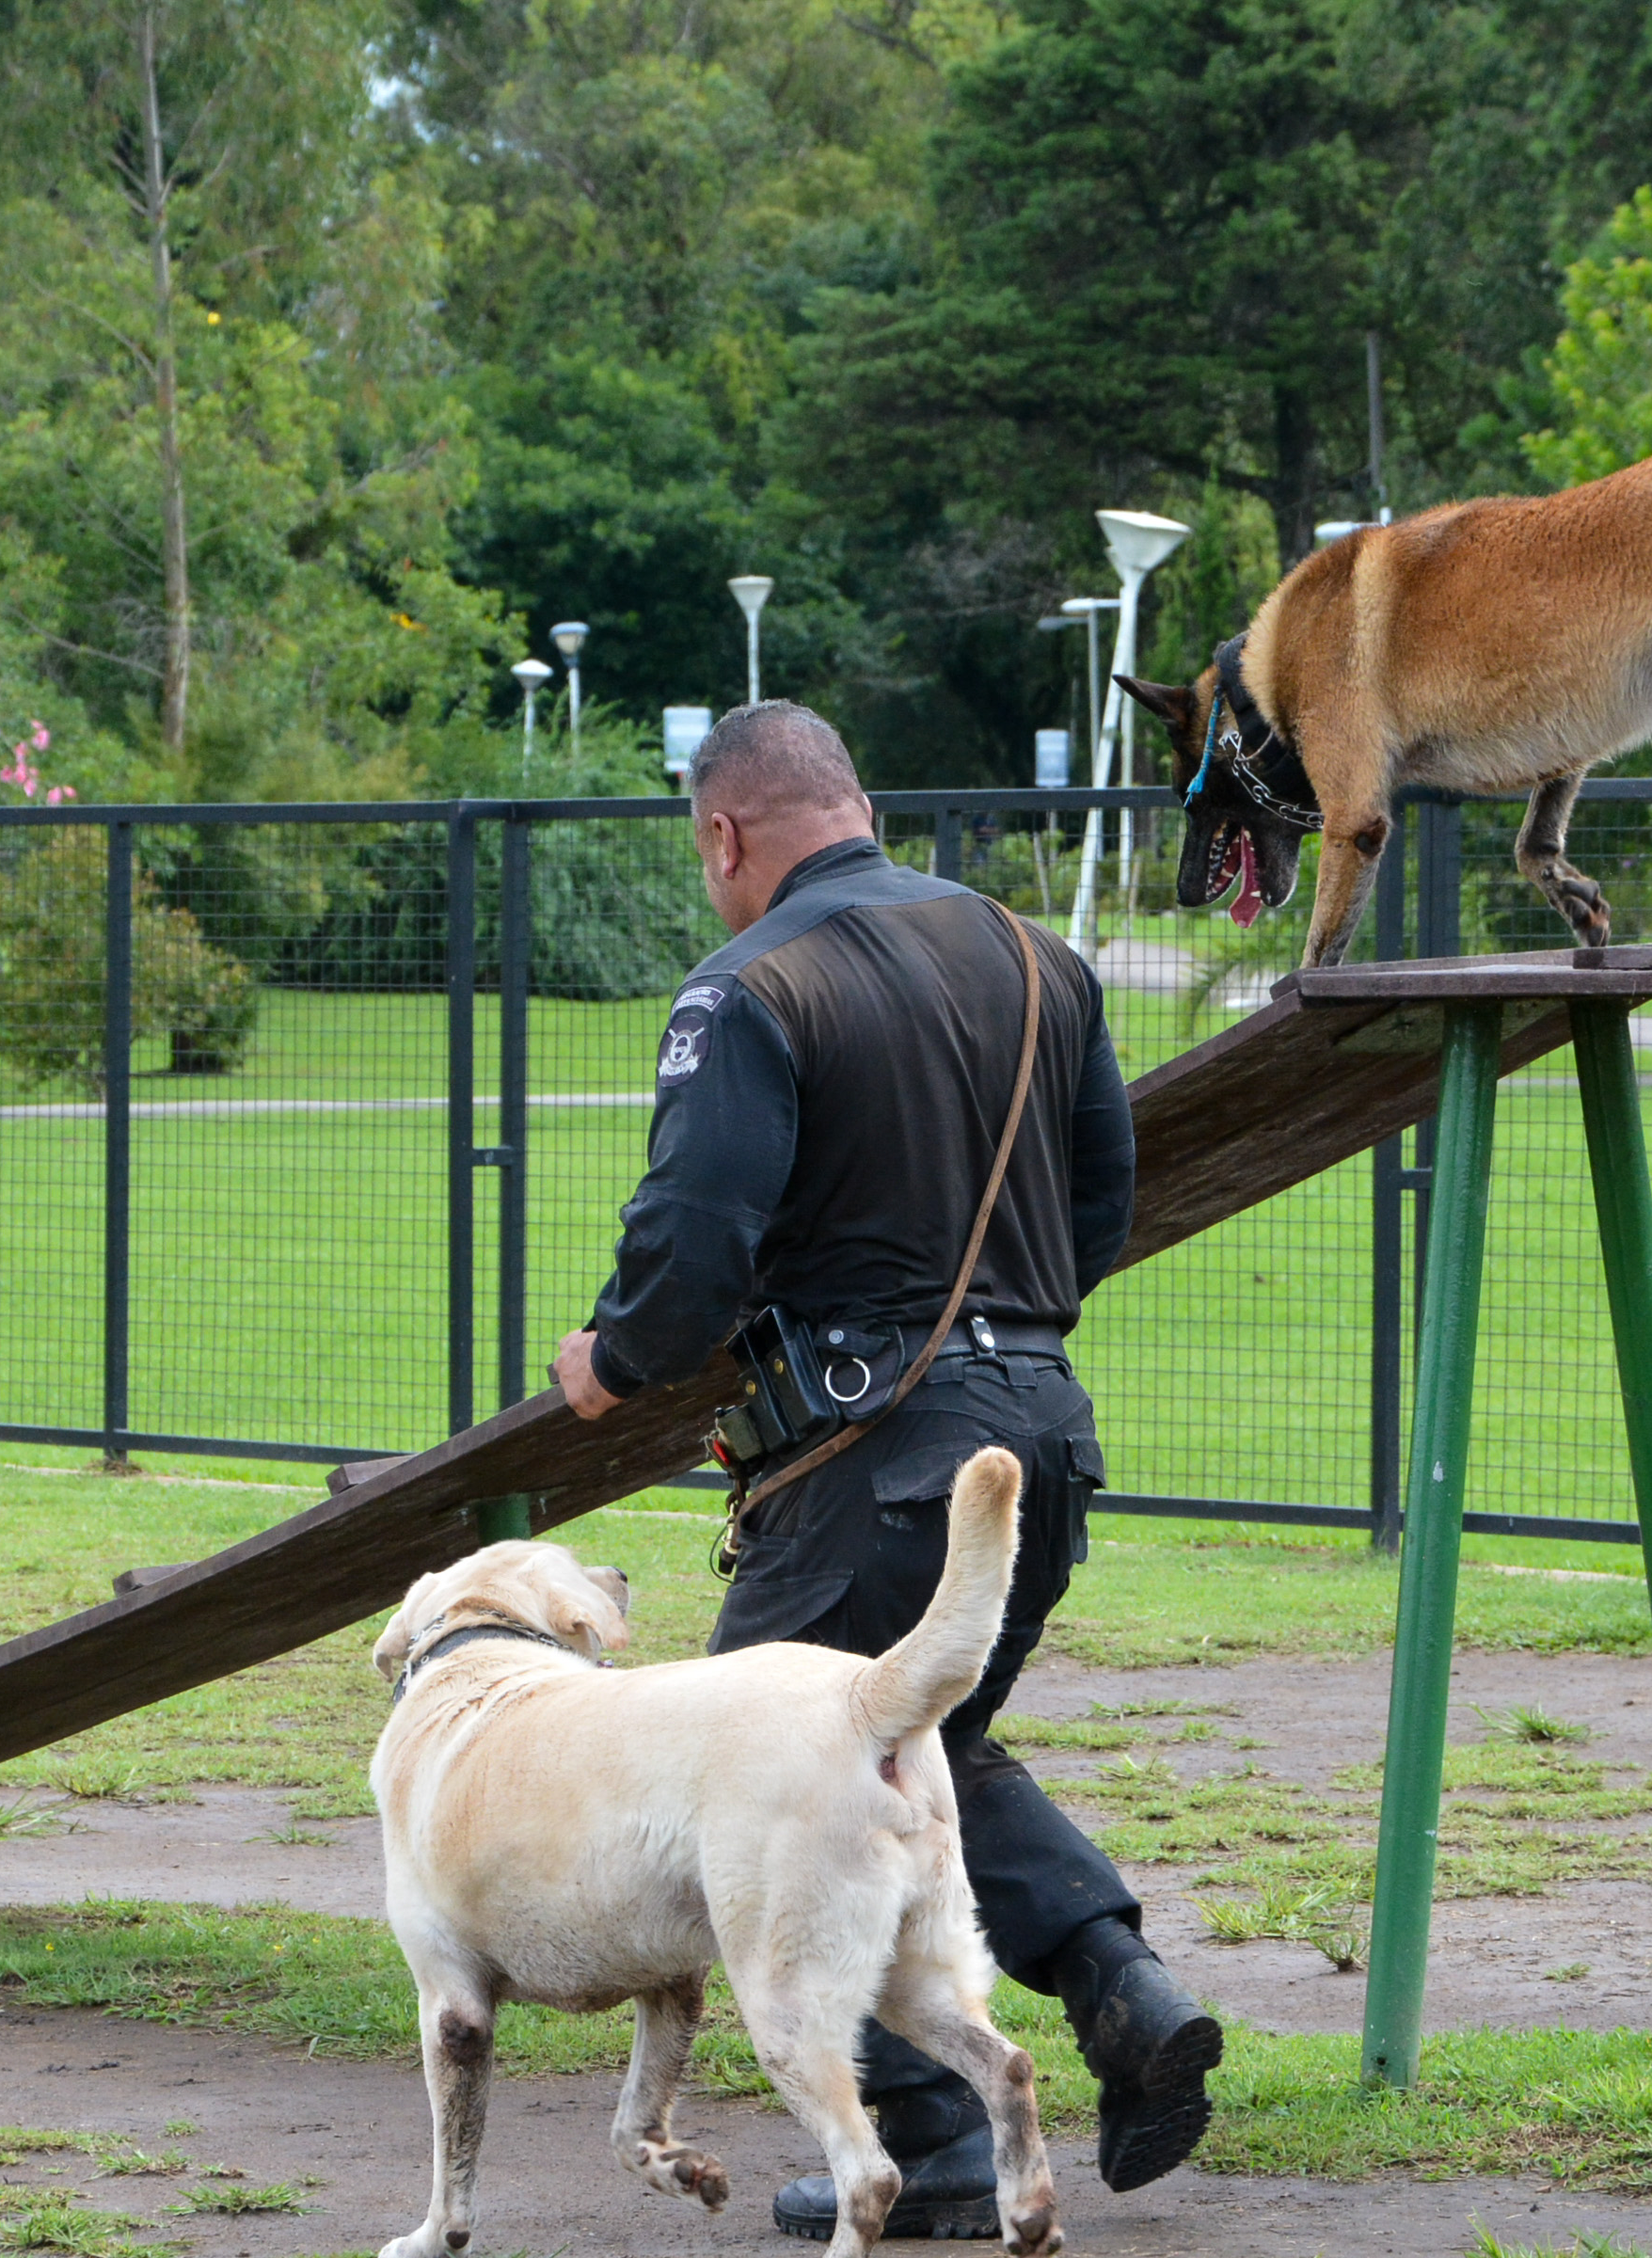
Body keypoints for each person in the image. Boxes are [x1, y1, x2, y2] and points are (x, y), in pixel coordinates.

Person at [551, 701, 1218, 2240]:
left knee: (776, 1786)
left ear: (726, 835)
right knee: (916, 1748)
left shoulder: (751, 984)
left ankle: (927, 2154)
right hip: (1039, 1435)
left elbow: (697, 1235)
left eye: (704, 856)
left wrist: (618, 1362)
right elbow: (1104, 1193)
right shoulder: (1038, 957)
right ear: (855, 804)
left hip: (864, 1457)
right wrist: (1000, 1339)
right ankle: (1119, 1983)